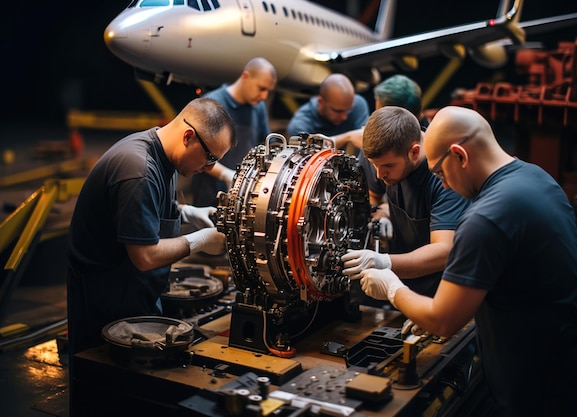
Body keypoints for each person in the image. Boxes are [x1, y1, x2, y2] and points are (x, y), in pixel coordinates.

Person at [355, 105, 577, 417]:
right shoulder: (536, 178)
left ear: (460, 155)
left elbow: (443, 320)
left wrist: (391, 286)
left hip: (537, 377)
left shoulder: (485, 219)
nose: (442, 184)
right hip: (569, 357)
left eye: (440, 173)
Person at [66, 98, 236, 411]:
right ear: (188, 137)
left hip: (134, 292)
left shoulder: (165, 157)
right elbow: (144, 256)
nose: (210, 168)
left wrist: (188, 214)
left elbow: (146, 212)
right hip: (106, 299)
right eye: (210, 157)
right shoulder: (139, 169)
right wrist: (200, 240)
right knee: (105, 397)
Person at [342, 106, 470, 298]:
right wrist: (382, 212)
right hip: (399, 280)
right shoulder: (384, 157)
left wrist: (383, 262)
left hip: (439, 292)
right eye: (374, 165)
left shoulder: (445, 177)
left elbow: (444, 251)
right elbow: (371, 196)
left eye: (387, 166)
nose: (379, 174)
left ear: (414, 152)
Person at [192, 57, 277, 206]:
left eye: (268, 92)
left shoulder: (258, 107)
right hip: (211, 193)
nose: (264, 96)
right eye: (261, 88)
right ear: (246, 77)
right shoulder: (213, 104)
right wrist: (225, 174)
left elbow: (267, 141)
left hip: (243, 192)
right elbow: (198, 154)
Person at [286, 73, 369, 154]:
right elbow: (310, 158)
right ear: (321, 101)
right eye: (338, 111)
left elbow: (365, 137)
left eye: (348, 110)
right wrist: (347, 137)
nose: (344, 117)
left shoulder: (358, 104)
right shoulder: (300, 124)